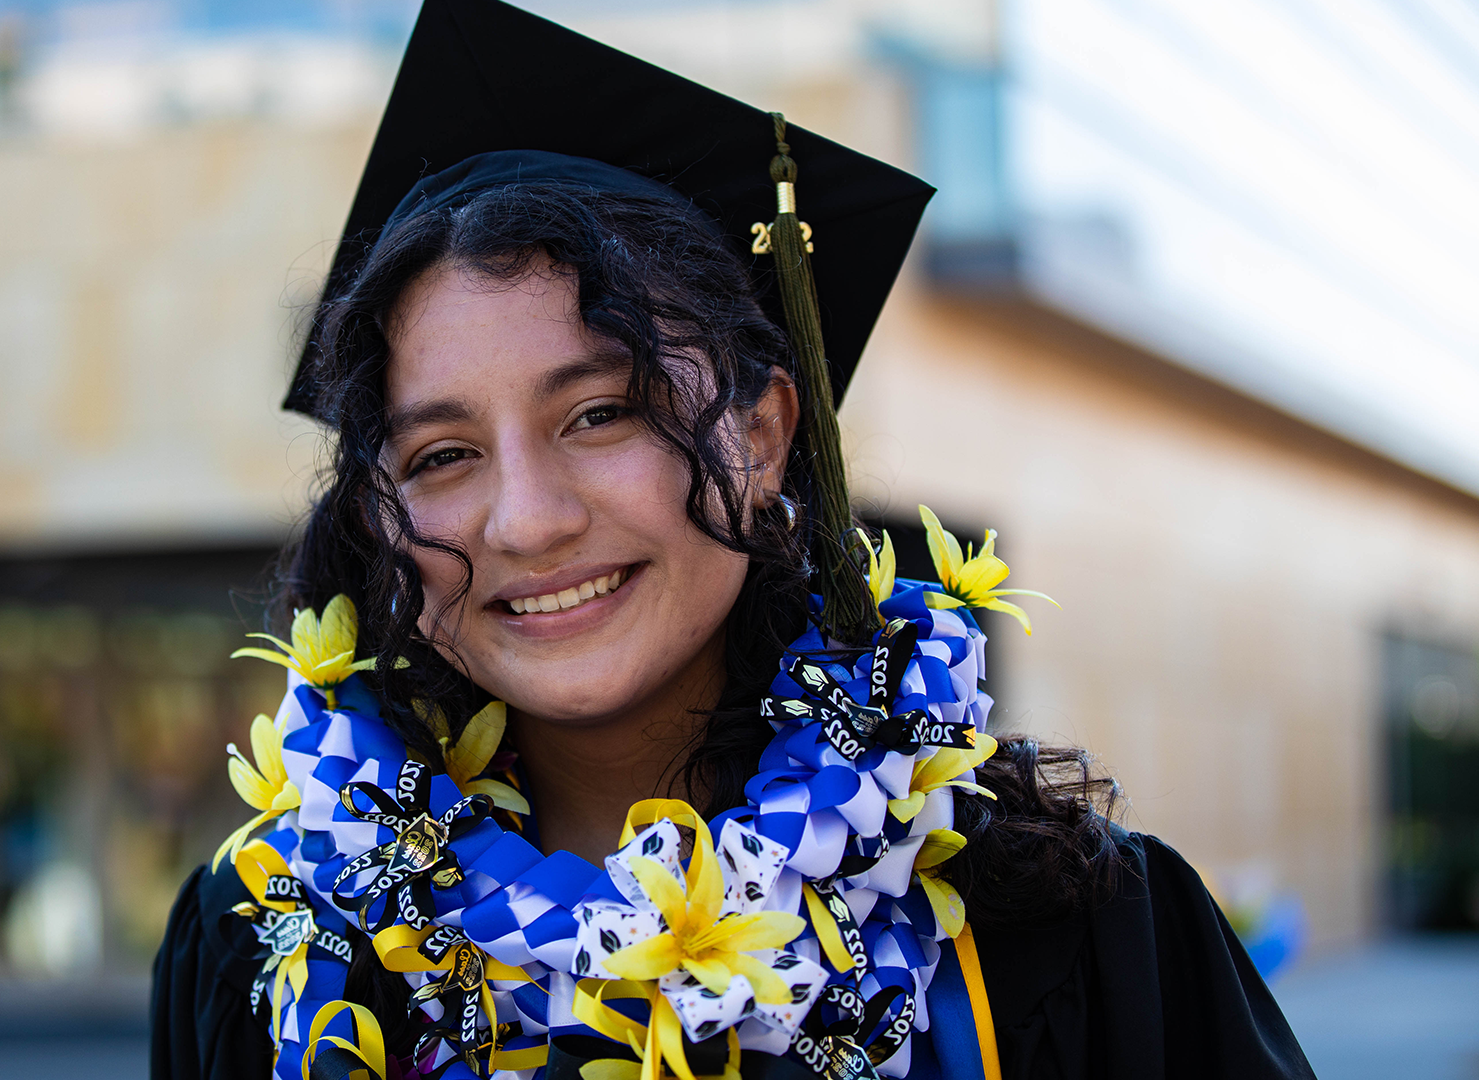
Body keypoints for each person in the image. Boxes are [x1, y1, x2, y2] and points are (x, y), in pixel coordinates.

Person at [153, 2, 1316, 1078]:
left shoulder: (1070, 926)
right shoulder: (267, 947)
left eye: (601, 413)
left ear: (762, 433)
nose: (529, 518)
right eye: (441, 456)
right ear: (377, 520)